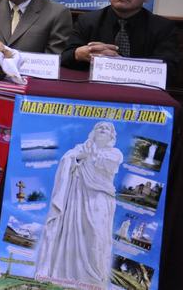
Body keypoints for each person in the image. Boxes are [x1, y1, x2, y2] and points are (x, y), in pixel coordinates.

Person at [35, 121, 123, 287]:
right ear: (93, 132)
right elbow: (68, 159)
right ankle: (70, 276)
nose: (103, 129)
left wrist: (89, 154)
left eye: (107, 128)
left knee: (96, 234)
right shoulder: (81, 148)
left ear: (112, 135)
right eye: (99, 127)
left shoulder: (115, 153)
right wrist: (77, 157)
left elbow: (107, 165)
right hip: (78, 197)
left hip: (100, 197)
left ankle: (94, 279)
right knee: (74, 232)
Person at [61, 0, 178, 76]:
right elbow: (65, 57)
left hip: (139, 86)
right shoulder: (87, 21)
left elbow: (168, 70)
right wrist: (78, 54)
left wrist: (120, 64)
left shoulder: (163, 28)